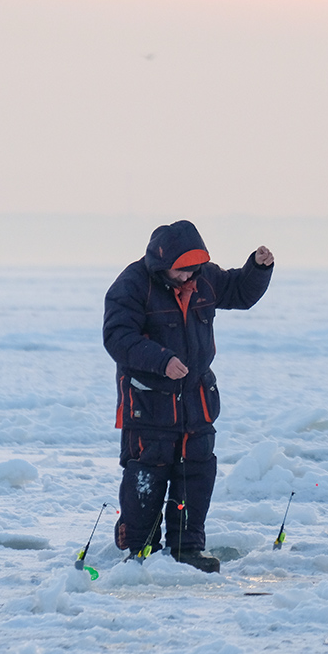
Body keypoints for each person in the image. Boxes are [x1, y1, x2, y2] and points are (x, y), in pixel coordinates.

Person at [103, 220, 274, 572]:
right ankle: (139, 551)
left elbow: (239, 292)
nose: (188, 278)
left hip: (197, 400)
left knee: (195, 474)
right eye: (182, 271)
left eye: (193, 270)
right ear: (162, 263)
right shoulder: (132, 285)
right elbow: (117, 337)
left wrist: (258, 268)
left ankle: (188, 548)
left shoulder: (204, 277)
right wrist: (161, 361)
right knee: (146, 476)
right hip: (149, 404)